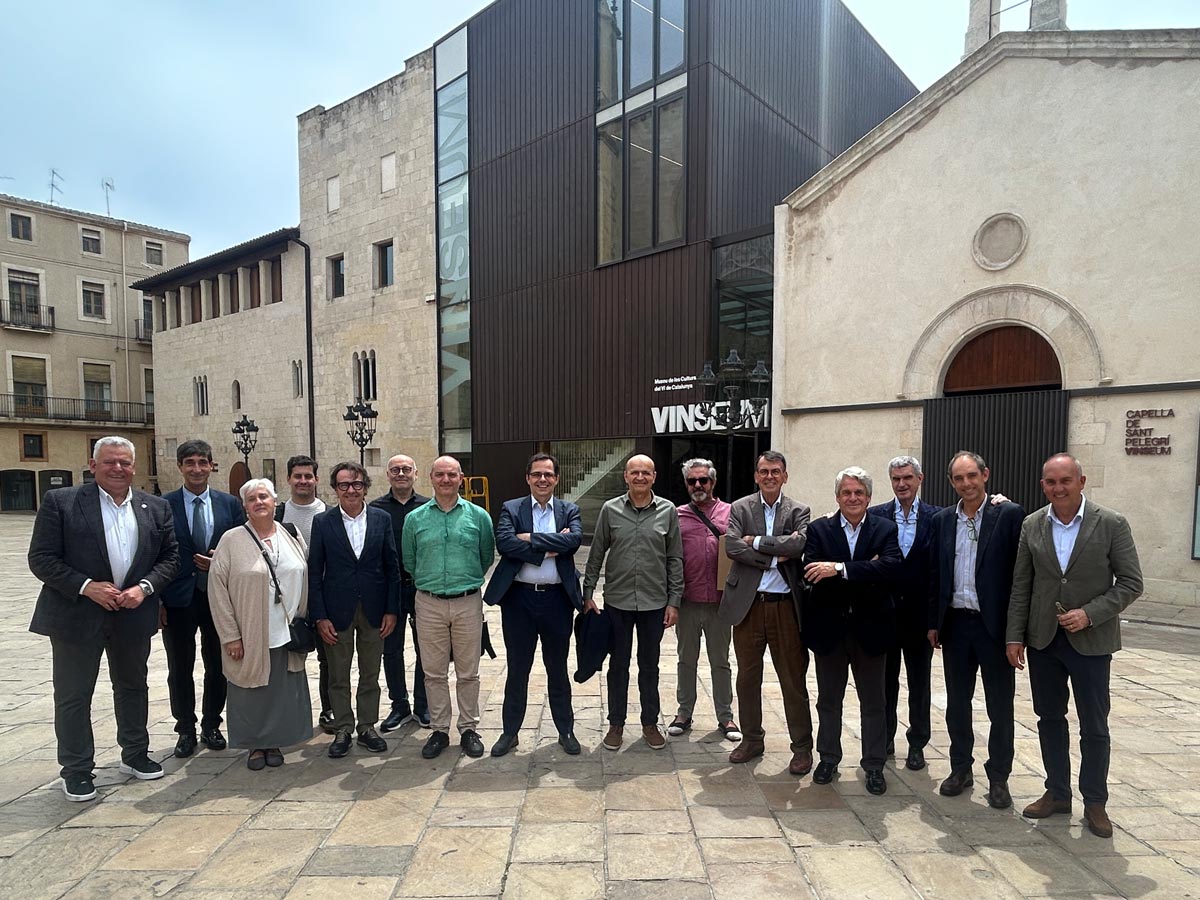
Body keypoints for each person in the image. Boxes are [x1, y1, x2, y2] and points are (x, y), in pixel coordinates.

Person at [28, 436, 180, 801]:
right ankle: (77, 769)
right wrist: (85, 586)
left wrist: (144, 588)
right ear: (93, 465)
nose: (118, 468)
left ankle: (135, 754)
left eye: (125, 463)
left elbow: (170, 558)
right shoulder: (62, 502)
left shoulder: (154, 507)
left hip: (131, 615)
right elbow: (42, 558)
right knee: (73, 695)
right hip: (75, 616)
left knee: (133, 686)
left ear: (134, 467)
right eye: (110, 462)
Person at [1007, 454, 1143, 838]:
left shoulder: (1111, 523)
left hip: (1092, 641)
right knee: (1049, 719)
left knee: (1094, 726)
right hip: (1045, 641)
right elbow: (1022, 585)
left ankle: (1095, 802)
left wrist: (1090, 614)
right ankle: (1057, 792)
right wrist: (1015, 635)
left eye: (1066, 480)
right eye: (1051, 482)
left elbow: (1131, 583)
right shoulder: (1033, 524)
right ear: (1043, 485)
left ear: (1081, 481)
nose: (1058, 488)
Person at [929, 451, 1024, 810]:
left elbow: (1020, 576)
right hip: (956, 626)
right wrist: (933, 623)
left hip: (995, 628)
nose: (966, 483)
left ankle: (999, 777)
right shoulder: (942, 520)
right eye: (958, 478)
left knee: (1000, 708)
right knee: (957, 704)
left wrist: (1017, 632)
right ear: (951, 482)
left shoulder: (1008, 515)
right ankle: (960, 769)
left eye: (972, 476)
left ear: (985, 475)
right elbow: (936, 573)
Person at [802, 467, 902, 795]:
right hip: (830, 630)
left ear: (869, 497)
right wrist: (866, 572)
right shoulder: (819, 530)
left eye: (859, 493)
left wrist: (840, 569)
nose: (853, 498)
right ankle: (828, 758)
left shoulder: (886, 529)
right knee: (828, 701)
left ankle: (874, 765)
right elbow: (813, 574)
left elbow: (891, 568)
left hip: (871, 630)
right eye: (846, 492)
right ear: (837, 497)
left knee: (874, 701)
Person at [208, 478, 313, 770]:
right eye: (252, 498)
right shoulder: (231, 540)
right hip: (249, 629)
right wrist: (230, 636)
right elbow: (217, 590)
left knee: (280, 689)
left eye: (264, 496)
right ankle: (255, 745)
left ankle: (276, 741)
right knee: (250, 691)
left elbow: (304, 573)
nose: (259, 502)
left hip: (286, 629)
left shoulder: (291, 534)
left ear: (275, 501)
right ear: (245, 506)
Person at [720, 451, 813, 775]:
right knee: (747, 679)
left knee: (792, 680)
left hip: (784, 607)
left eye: (776, 471)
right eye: (764, 471)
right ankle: (751, 740)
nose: (770, 476)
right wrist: (774, 558)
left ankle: (802, 748)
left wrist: (757, 541)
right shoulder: (740, 507)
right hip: (748, 605)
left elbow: (798, 545)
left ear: (785, 476)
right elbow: (732, 546)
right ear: (756, 476)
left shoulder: (799, 510)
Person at [484, 453, 584, 757]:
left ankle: (565, 730)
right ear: (527, 478)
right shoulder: (511, 508)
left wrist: (531, 539)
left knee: (557, 668)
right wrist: (551, 544)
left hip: (557, 600)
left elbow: (575, 541)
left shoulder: (570, 509)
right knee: (518, 669)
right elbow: (505, 544)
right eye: (537, 474)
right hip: (519, 600)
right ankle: (510, 733)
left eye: (548, 474)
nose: (543, 479)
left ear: (556, 479)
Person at [584, 454, 683, 752]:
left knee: (649, 666)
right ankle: (616, 723)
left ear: (654, 476)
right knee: (618, 665)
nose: (640, 477)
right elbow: (597, 551)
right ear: (625, 477)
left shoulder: (668, 511)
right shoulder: (610, 509)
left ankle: (650, 723)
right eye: (634, 472)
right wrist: (588, 592)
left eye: (646, 473)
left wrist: (674, 600)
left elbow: (675, 558)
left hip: (655, 603)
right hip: (618, 601)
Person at [402, 455, 496, 760]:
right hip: (428, 602)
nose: (445, 480)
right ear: (430, 478)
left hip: (468, 600)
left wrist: (464, 583)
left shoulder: (479, 516)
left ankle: (469, 727)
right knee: (433, 672)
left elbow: (486, 557)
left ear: (461, 479)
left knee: (469, 672)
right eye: (440, 474)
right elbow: (410, 561)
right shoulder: (414, 519)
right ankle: (440, 729)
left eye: (452, 475)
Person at [308, 461, 400, 758]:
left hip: (374, 609)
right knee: (338, 673)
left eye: (357, 484)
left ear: (365, 488)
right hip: (337, 612)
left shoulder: (381, 519)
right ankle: (344, 727)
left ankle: (367, 726)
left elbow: (392, 568)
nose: (351, 490)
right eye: (344, 485)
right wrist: (320, 615)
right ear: (335, 489)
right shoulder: (323, 523)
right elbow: (314, 572)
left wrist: (391, 610)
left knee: (370, 672)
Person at [161, 439, 245, 759]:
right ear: (180, 467)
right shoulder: (163, 505)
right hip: (178, 599)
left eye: (202, 462)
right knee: (179, 666)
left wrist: (219, 562)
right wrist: (156, 601)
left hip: (219, 598)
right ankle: (185, 728)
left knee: (217, 664)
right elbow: (154, 553)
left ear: (212, 465)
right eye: (190, 463)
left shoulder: (229, 505)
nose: (196, 469)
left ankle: (212, 723)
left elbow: (240, 548)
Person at [866, 456, 941, 772]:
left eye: (907, 478)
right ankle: (884, 740)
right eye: (896, 478)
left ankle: (917, 744)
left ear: (919, 478)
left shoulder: (937, 518)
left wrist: (937, 621)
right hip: (885, 614)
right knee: (885, 683)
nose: (901, 484)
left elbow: (940, 572)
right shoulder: (876, 515)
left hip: (920, 619)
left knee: (919, 683)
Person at [670, 458, 739, 742]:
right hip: (687, 602)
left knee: (720, 661)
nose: (698, 485)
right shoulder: (676, 515)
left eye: (703, 480)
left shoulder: (732, 512)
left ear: (713, 482)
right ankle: (684, 712)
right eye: (692, 481)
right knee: (686, 660)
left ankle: (726, 716)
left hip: (721, 604)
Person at [370, 453, 430, 732]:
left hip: (421, 589)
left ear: (416, 474)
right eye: (396, 469)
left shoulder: (429, 508)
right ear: (388, 475)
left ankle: (423, 705)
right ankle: (399, 705)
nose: (401, 473)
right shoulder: (375, 510)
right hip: (388, 591)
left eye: (407, 469)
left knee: (425, 650)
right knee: (391, 650)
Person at [273, 455, 331, 730]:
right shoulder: (277, 514)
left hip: (322, 595)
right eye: (298, 476)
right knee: (287, 658)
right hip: (288, 601)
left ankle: (329, 710)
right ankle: (287, 713)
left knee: (327, 658)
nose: (303, 481)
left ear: (316, 480)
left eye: (308, 476)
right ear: (289, 479)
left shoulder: (329, 513)